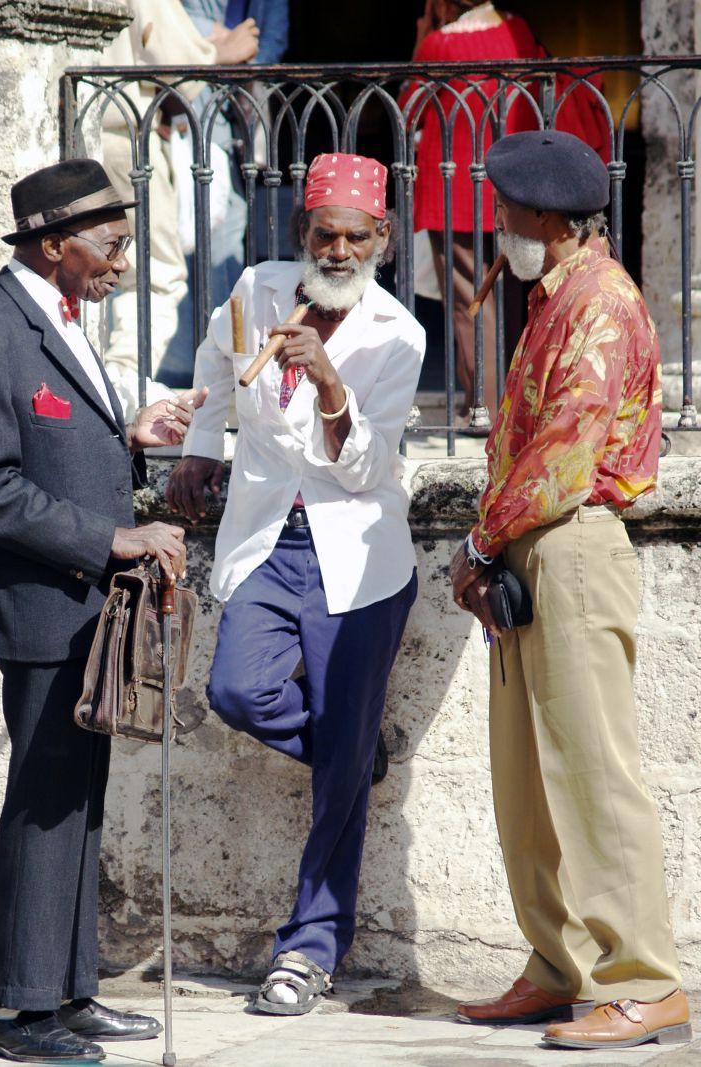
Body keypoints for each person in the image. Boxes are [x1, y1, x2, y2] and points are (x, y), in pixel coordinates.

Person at [0, 159, 204, 1063]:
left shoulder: (54, 317)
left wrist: (127, 436)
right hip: (38, 608)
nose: (121, 264)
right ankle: (15, 1011)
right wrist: (114, 539)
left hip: (76, 604)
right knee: (45, 801)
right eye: (111, 247)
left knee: (79, 802)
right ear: (52, 245)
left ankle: (68, 987)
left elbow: (56, 441)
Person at [166, 153, 424, 1014]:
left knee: (341, 764)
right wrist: (203, 441)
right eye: (325, 235)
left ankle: (308, 950)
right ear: (301, 233)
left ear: (382, 238)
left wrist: (329, 385)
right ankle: (349, 755)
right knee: (237, 690)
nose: (340, 250)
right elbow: (213, 362)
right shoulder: (258, 287)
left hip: (358, 557)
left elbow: (366, 470)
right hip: (270, 541)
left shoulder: (397, 333)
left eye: (356, 237)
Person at [449, 131, 690, 1051]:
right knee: (527, 783)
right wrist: (492, 545)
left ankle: (644, 980)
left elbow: (564, 453)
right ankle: (559, 968)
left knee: (592, 774)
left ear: (545, 216)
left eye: (509, 208)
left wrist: (477, 540)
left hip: (570, 543)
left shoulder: (600, 301)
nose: (499, 221)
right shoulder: (554, 293)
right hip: (527, 544)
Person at [403, 0, 610, 422]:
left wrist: (422, 36)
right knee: (516, 304)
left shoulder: (439, 46)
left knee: (470, 305)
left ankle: (486, 409)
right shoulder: (520, 33)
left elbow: (410, 111)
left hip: (455, 186)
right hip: (514, 191)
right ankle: (520, 406)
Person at [101, 0, 259, 418]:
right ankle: (119, 388)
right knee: (155, 276)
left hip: (98, 130)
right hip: (124, 135)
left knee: (103, 267)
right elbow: (178, 60)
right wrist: (221, 52)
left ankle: (105, 384)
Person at [159, 0, 290, 388]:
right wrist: (212, 45)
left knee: (225, 236)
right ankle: (189, 364)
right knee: (183, 239)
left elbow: (266, 38)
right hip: (186, 110)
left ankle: (229, 358)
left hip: (229, 113)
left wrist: (232, 56)